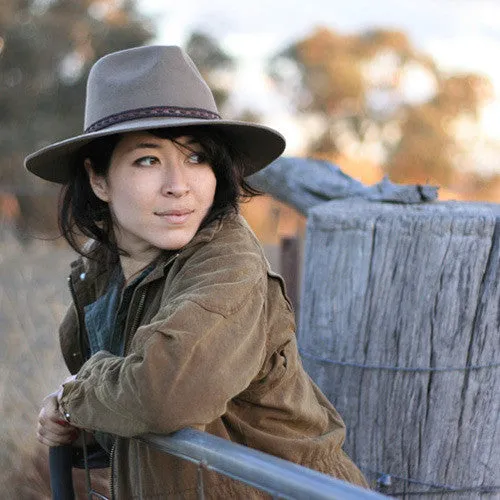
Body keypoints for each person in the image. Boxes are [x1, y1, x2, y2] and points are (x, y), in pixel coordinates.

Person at [28, 45, 368, 499]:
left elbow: (164, 395)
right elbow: (137, 414)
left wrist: (79, 394)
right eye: (147, 159)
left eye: (196, 157)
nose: (179, 185)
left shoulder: (228, 264)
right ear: (98, 179)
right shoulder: (101, 271)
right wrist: (75, 424)